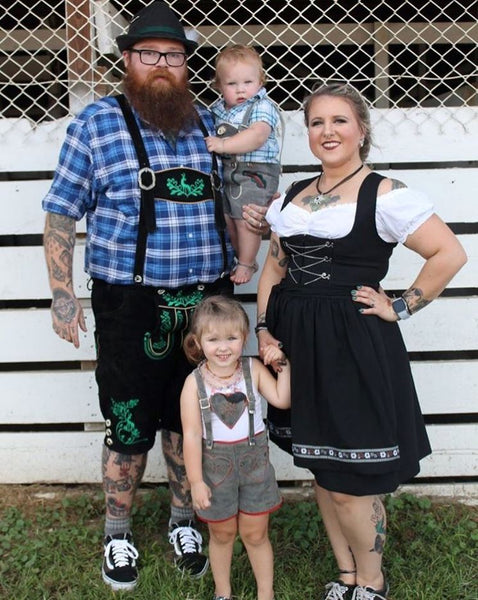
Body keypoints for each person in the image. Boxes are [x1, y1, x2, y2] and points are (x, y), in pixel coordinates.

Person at [42, 1, 239, 592]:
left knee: (190, 423)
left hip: (208, 305)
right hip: (130, 303)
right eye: (148, 54)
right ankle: (117, 530)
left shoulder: (213, 126)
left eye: (173, 56)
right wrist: (60, 294)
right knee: (128, 424)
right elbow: (60, 212)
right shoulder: (96, 123)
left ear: (186, 65)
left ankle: (184, 520)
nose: (161, 65)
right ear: (127, 59)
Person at [255, 82, 467, 600]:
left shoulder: (385, 194)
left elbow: (449, 254)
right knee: (324, 470)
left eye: (339, 121)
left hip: (351, 346)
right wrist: (264, 329)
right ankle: (345, 576)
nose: (327, 132)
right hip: (298, 343)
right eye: (316, 122)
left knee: (352, 477)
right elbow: (273, 270)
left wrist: (399, 306)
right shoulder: (294, 195)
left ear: (361, 130)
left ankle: (372, 584)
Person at [180, 295, 290, 600]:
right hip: (215, 469)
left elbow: (282, 399)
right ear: (198, 343)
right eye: (214, 339)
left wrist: (283, 365)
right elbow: (190, 435)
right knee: (222, 533)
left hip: (254, 464)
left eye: (232, 337)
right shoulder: (194, 383)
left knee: (255, 534)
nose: (224, 347)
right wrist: (196, 481)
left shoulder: (252, 370)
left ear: (244, 338)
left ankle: (264, 593)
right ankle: (223, 591)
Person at [205, 45, 282, 285]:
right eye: (231, 84)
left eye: (248, 82)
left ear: (261, 81)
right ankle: (243, 257)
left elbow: (256, 136)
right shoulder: (218, 110)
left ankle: (246, 263)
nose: (241, 90)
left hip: (255, 171)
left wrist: (223, 145)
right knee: (227, 216)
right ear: (219, 85)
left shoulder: (262, 106)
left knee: (245, 217)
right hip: (229, 172)